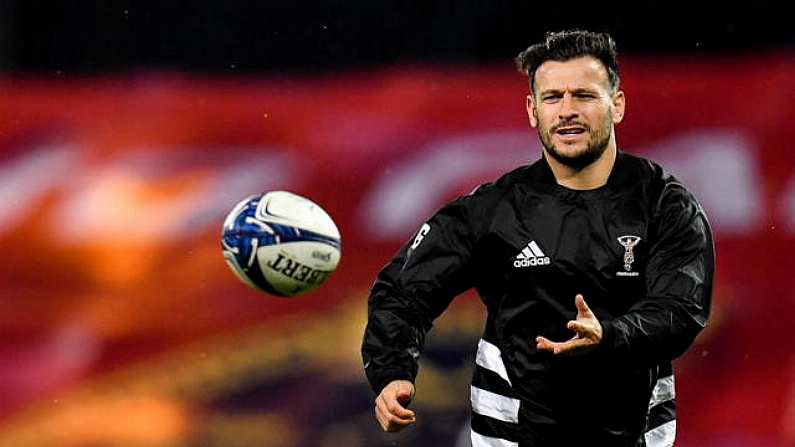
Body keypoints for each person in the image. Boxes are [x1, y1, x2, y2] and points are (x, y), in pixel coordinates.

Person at [361, 29, 714, 446]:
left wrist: (611, 335)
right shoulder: (493, 210)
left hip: (636, 434)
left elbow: (682, 307)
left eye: (583, 95)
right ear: (532, 110)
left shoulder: (664, 205)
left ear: (617, 105)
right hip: (512, 435)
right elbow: (403, 290)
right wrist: (391, 372)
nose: (566, 111)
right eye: (552, 98)